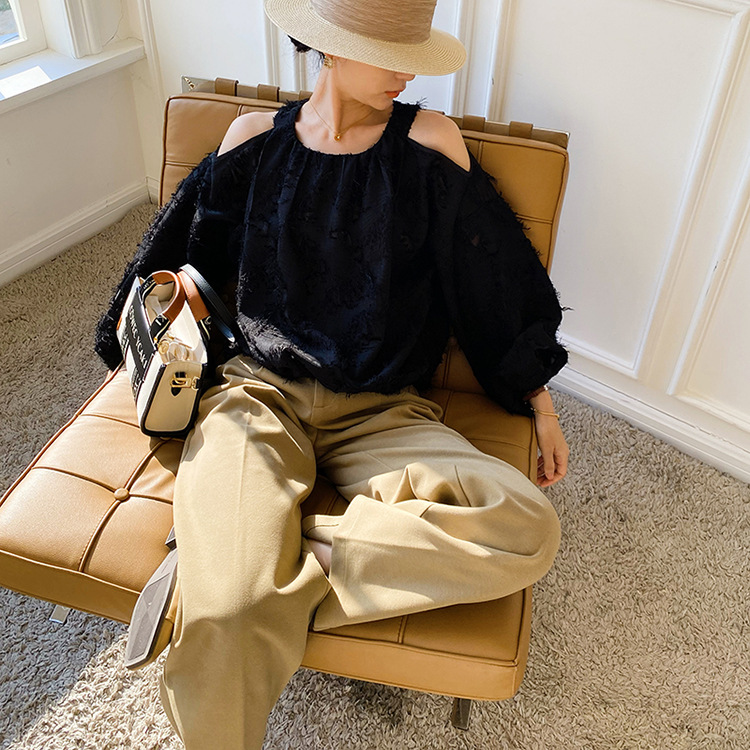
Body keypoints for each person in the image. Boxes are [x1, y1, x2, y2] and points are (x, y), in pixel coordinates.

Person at [95, 0, 570, 746]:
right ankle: (237, 574)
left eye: (413, 53)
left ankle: (257, 562)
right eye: (391, 54)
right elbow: (180, 262)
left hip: (384, 411)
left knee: (527, 529)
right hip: (256, 395)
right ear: (331, 46)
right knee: (226, 615)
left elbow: (490, 283)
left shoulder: (431, 144)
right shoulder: (252, 141)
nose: (407, 74)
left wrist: (538, 399)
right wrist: (173, 303)